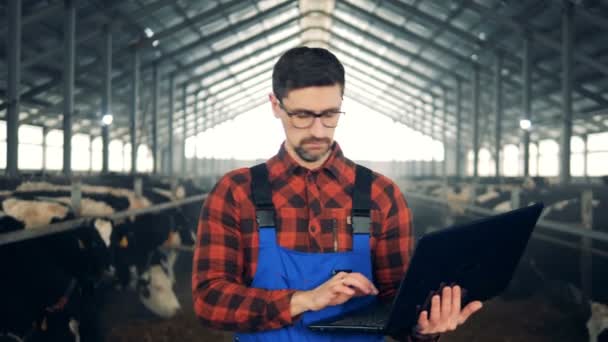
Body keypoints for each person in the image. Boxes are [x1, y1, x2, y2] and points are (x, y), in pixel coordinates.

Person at [192, 47, 483, 341]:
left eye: (330, 114)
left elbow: (398, 304)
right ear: (275, 106)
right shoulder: (237, 193)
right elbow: (209, 300)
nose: (318, 130)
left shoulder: (381, 195)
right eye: (302, 115)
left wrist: (422, 326)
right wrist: (304, 300)